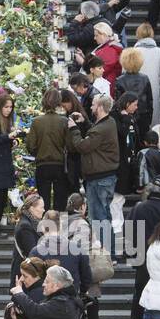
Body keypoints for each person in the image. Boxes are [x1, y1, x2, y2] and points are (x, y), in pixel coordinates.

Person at [67, 93, 119, 253]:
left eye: (93, 104)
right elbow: (95, 134)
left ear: (100, 107)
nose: (90, 107)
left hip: (99, 178)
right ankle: (109, 251)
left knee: (99, 217)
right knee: (103, 216)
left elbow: (82, 146)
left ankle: (107, 253)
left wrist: (74, 128)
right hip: (103, 176)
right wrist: (85, 122)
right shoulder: (108, 122)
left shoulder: (102, 128)